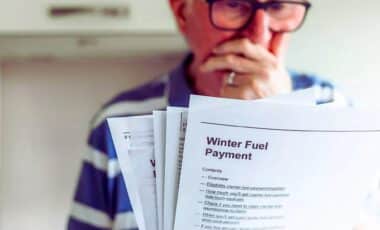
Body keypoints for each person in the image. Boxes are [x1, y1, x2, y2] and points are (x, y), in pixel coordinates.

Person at [67, 0, 347, 229]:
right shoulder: (118, 123)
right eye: (234, 5)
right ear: (182, 13)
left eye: (278, 7)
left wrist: (281, 121)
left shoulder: (331, 109)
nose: (259, 35)